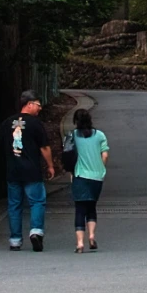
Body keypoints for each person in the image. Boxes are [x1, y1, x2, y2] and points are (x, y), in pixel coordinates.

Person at [0, 91, 56, 252]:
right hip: (31, 171)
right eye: (38, 105)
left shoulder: (8, 122)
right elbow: (44, 147)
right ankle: (36, 231)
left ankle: (15, 240)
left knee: (14, 205)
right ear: (29, 104)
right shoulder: (36, 124)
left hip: (13, 171)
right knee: (37, 201)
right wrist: (50, 165)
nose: (40, 108)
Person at [66, 107, 108, 252]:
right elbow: (105, 156)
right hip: (96, 177)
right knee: (91, 207)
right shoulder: (100, 135)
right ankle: (91, 235)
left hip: (80, 176)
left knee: (80, 209)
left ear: (76, 121)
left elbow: (68, 155)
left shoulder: (72, 136)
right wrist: (100, 169)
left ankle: (80, 243)